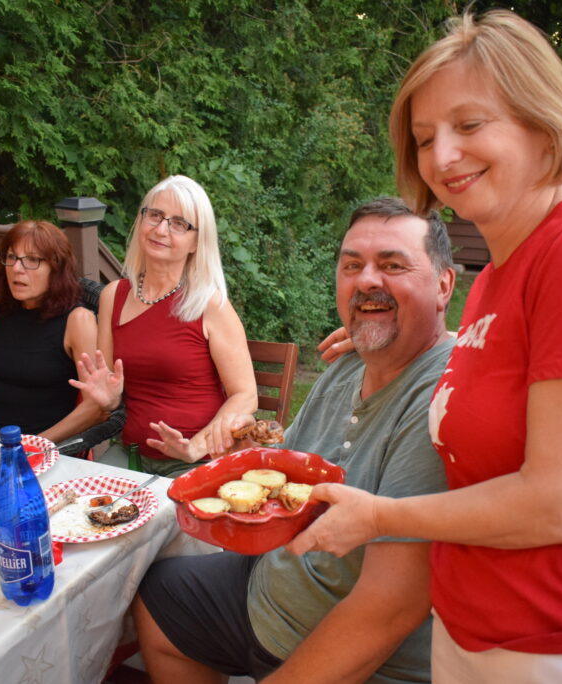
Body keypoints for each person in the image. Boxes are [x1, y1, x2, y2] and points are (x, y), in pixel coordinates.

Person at [288, 10, 562, 683]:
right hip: (485, 630)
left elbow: (559, 502)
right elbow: (519, 375)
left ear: (542, 123)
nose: (442, 157)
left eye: (469, 125)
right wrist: (388, 338)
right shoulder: (498, 278)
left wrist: (378, 516)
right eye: (425, 137)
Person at [132, 197, 457, 684]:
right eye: (352, 266)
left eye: (392, 265)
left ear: (444, 285)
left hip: (351, 648)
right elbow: (287, 468)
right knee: (159, 597)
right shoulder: (348, 364)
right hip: (271, 587)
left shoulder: (443, 402)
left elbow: (390, 609)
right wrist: (242, 458)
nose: (367, 280)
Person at [72, 175, 257, 476]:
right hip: (130, 455)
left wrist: (195, 446)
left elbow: (246, 395)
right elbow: (112, 390)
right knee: (77, 503)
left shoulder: (210, 304)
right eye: (155, 215)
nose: (161, 229)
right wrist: (109, 399)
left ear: (196, 242)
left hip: (195, 462)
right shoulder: (112, 296)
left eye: (179, 223)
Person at [0, 220, 105, 443]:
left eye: (32, 260)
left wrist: (33, 444)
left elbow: (96, 406)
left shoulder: (78, 321)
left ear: (56, 268)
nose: (16, 268)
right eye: (11, 257)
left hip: (48, 449)